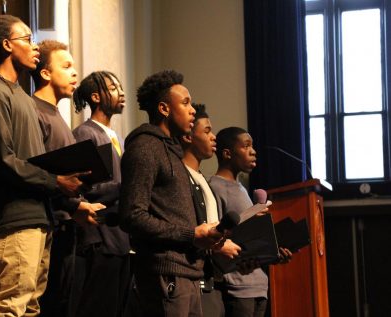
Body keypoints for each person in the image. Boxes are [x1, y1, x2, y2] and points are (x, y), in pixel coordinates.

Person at [0, 15, 86, 317]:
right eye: (27, 39)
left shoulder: (22, 96)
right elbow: (4, 162)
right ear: (7, 45)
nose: (35, 47)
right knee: (10, 307)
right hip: (15, 220)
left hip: (39, 218)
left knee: (31, 307)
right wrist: (55, 181)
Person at [118, 70, 224, 317]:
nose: (192, 110)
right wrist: (190, 234)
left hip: (187, 272)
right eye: (185, 103)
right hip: (164, 274)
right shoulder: (145, 148)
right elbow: (131, 215)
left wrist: (206, 234)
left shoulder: (173, 152)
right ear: (164, 109)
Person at [29, 40, 106, 316]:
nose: (75, 73)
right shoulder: (34, 111)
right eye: (66, 66)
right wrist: (74, 206)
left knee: (63, 302)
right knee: (47, 303)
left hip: (63, 223)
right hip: (50, 223)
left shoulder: (57, 115)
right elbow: (39, 170)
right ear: (46, 73)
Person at [209, 127, 292, 317]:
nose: (253, 151)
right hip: (237, 287)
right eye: (246, 146)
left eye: (252, 146)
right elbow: (218, 236)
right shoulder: (215, 187)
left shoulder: (241, 188)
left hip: (258, 285)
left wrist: (272, 252)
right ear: (227, 153)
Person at [71, 71, 131, 317]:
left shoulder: (116, 136)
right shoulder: (85, 133)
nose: (121, 92)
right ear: (96, 97)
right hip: (100, 237)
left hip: (120, 237)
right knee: (98, 306)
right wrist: (127, 187)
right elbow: (84, 187)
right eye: (114, 87)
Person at [180, 103, 242, 317]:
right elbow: (188, 229)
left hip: (211, 278)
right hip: (193, 280)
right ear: (188, 137)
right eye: (207, 131)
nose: (213, 136)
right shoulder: (181, 177)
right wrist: (217, 246)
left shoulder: (203, 180)